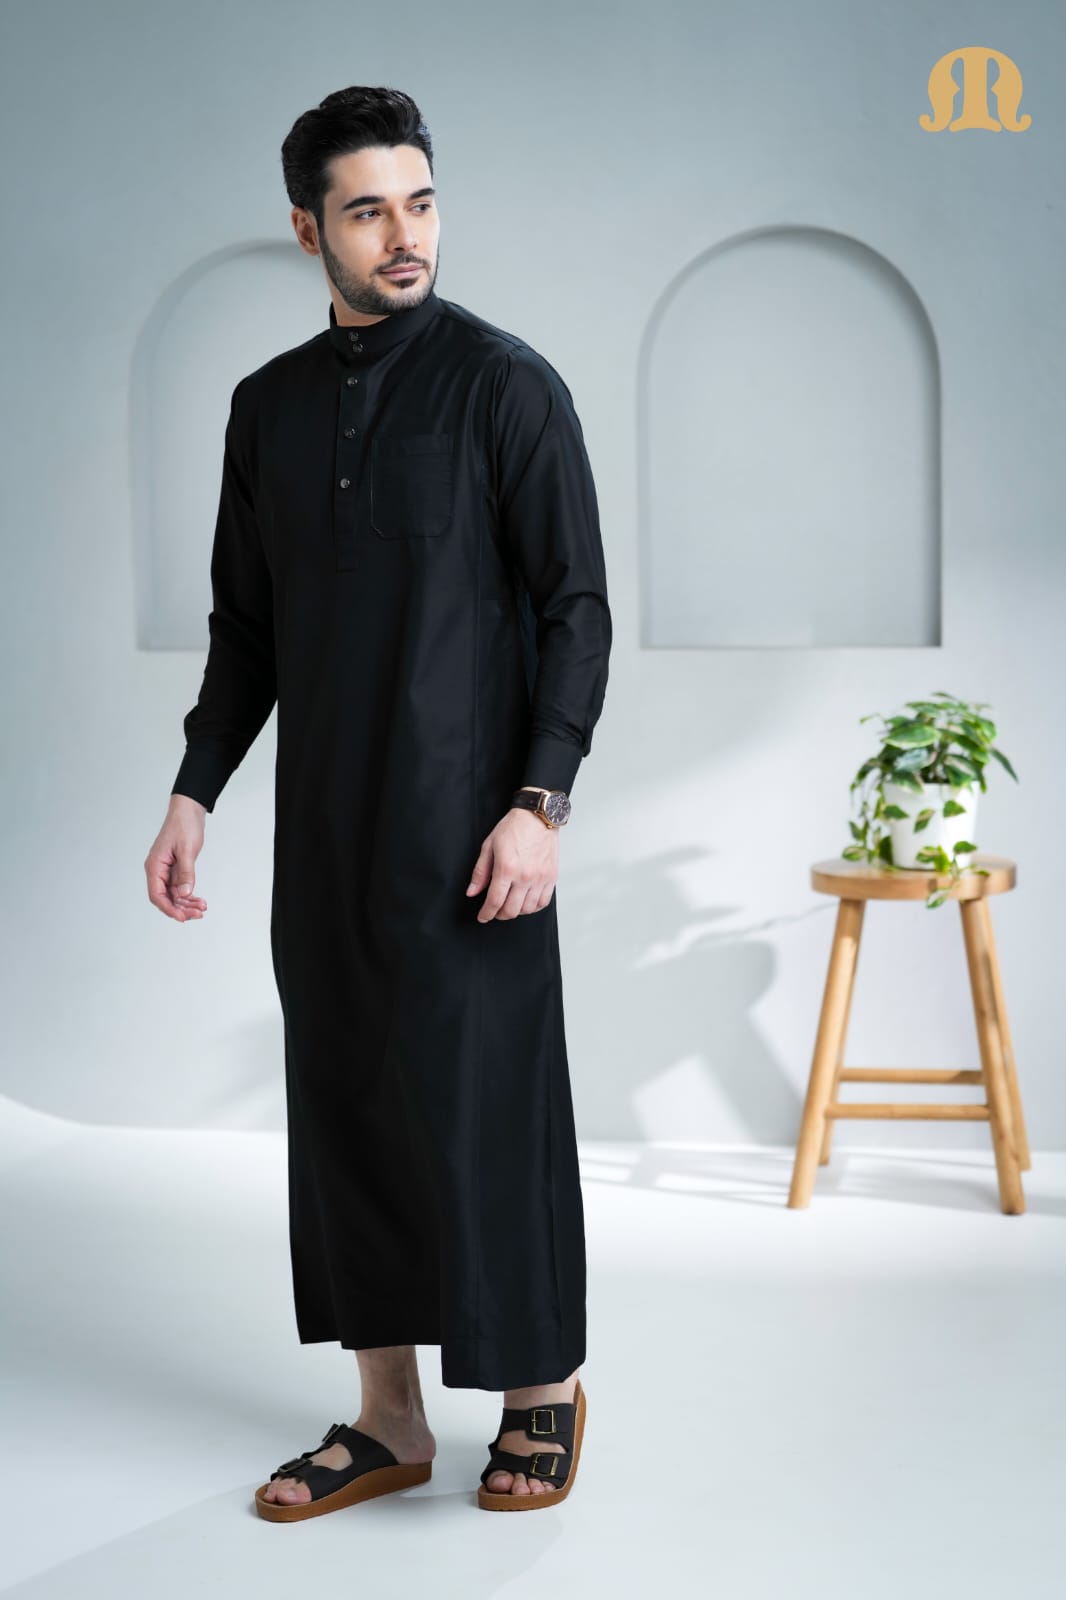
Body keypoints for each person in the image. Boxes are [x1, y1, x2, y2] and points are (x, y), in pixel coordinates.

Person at [144, 84, 611, 1518]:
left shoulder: (506, 386)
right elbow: (248, 629)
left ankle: (539, 1395)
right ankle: (389, 1418)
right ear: (309, 230)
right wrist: (195, 789)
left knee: (488, 1107)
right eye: (367, 210)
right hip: (326, 830)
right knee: (348, 1107)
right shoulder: (268, 409)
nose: (403, 233)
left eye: (419, 201)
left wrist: (540, 801)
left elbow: (576, 610)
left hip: (474, 831)